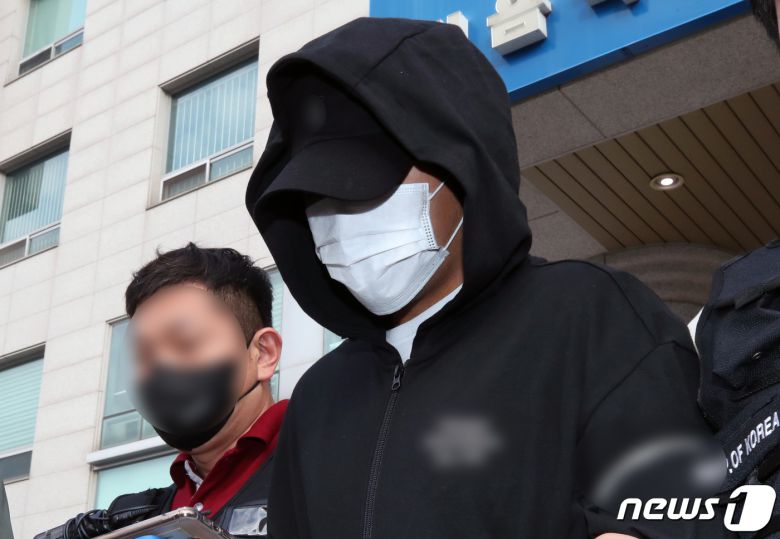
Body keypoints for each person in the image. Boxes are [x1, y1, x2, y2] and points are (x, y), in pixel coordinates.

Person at [246, 17, 725, 539]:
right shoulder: (319, 397)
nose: (338, 218)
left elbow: (670, 516)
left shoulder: (591, 319)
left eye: (360, 182)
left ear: (462, 161)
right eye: (315, 196)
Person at [35, 244, 285, 538]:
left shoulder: (325, 465)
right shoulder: (143, 516)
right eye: (143, 355)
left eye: (186, 342)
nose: (161, 366)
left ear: (263, 354)